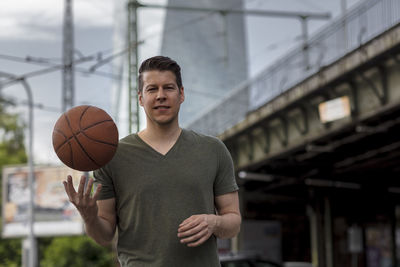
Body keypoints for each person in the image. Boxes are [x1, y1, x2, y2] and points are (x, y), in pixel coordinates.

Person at [63, 56, 241, 266]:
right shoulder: (112, 157)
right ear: (140, 98)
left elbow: (233, 221)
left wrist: (214, 222)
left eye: (168, 88)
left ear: (181, 94)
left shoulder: (213, 150)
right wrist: (89, 216)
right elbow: (104, 236)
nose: (161, 96)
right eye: (151, 89)